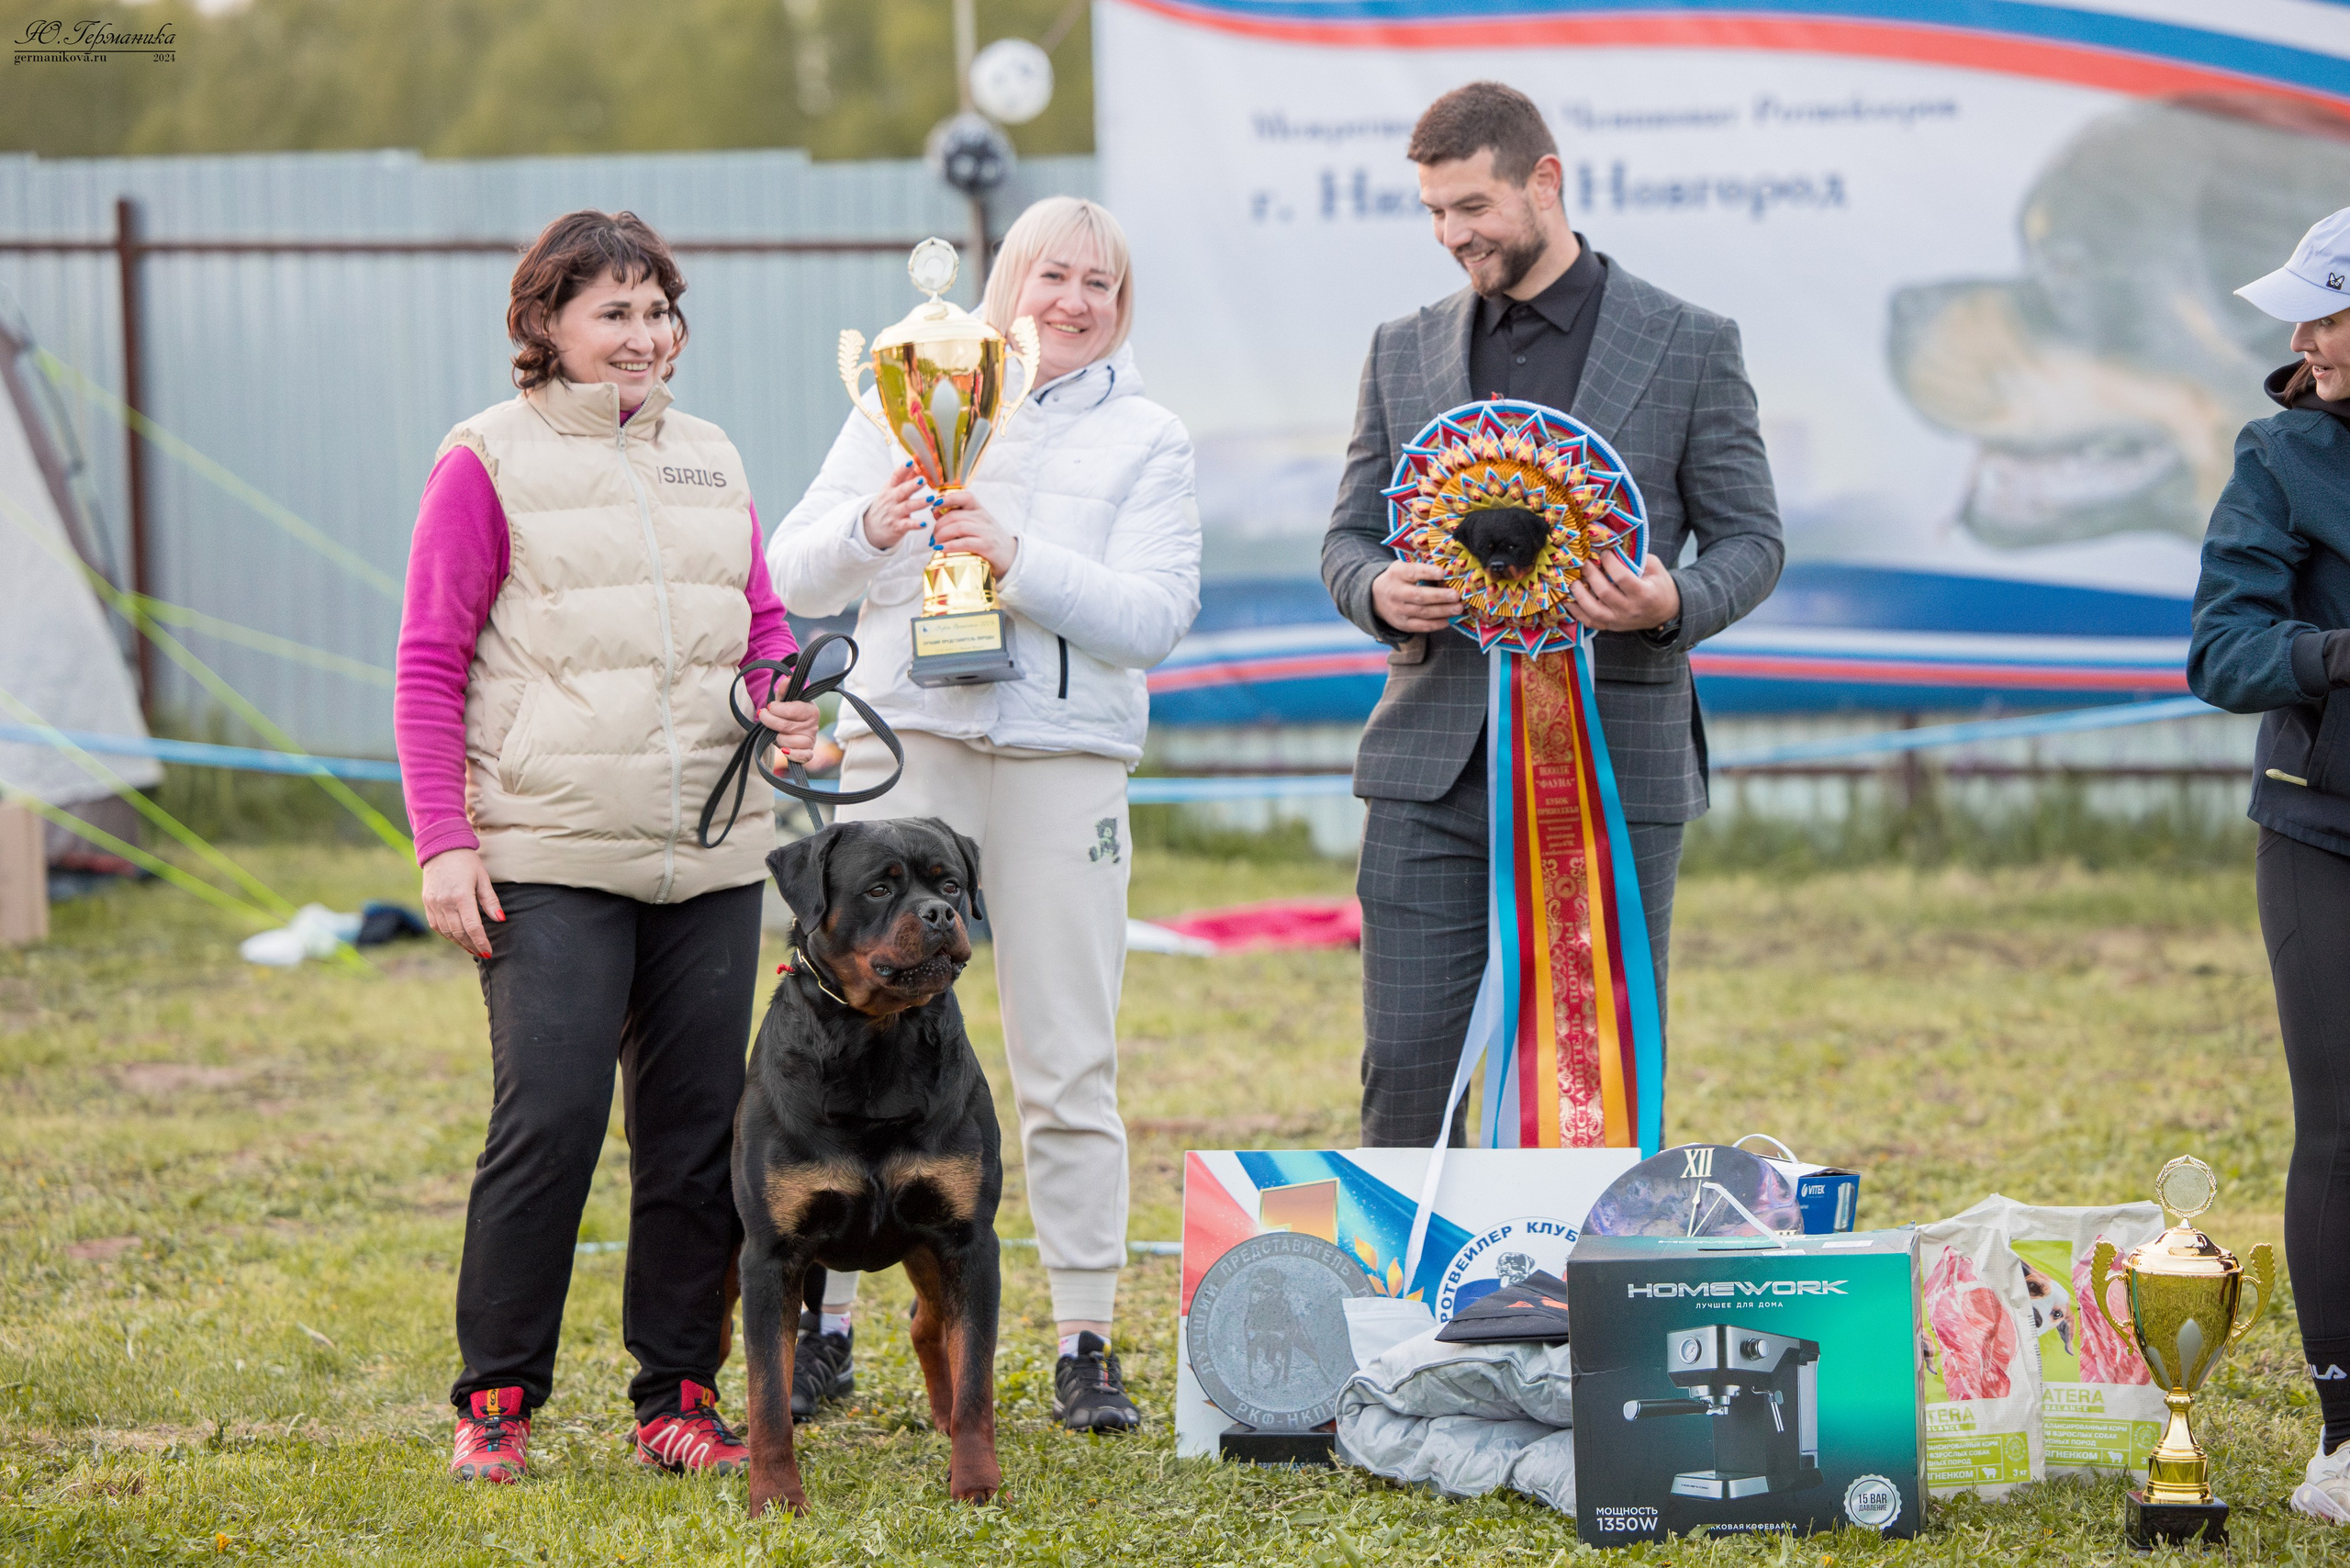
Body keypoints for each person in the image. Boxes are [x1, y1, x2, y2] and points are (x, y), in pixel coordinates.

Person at [396, 209, 822, 1484]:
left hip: (710, 857)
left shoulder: (713, 455)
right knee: (555, 1120)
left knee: (697, 1133)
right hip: (547, 850)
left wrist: (777, 695)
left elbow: (756, 624)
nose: (644, 337)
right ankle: (498, 1402)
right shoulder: (485, 460)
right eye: (614, 313)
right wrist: (443, 843)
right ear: (544, 326)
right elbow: (430, 659)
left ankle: (676, 1395)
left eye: (659, 311)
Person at [767, 195, 1200, 1433]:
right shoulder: (903, 391)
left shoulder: (1151, 437)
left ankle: (1082, 1338)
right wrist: (874, 525)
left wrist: (1017, 555)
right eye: (1052, 275)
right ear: (1007, 282)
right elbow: (797, 569)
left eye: (1100, 286)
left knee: (1069, 1056)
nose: (1073, 303)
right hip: (916, 749)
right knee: (855, 1038)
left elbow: (1155, 620)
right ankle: (827, 1321)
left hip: (1066, 762)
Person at [1321, 82, 1783, 1148]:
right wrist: (1375, 590)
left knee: (1593, 1081)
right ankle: (1413, 1310)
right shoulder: (1401, 349)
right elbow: (1348, 538)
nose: (1451, 235)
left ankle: (1573, 1310)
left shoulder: (1689, 342)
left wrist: (1671, 601)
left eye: (1471, 207)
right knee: (1405, 1074)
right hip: (1428, 768)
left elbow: (1753, 542)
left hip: (1612, 765)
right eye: (1434, 213)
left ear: (1545, 182)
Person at [2188, 204, 2350, 1526]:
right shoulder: (2281, 453)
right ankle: (2348, 1435)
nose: (2304, 338)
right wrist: (2334, 655)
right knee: (2342, 1135)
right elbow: (2222, 650)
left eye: (2329, 312)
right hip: (2323, 836)